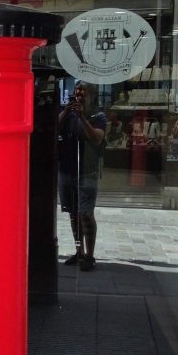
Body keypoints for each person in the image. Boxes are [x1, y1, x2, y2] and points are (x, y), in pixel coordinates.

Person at [58, 80, 106, 271]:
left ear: (92, 96)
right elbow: (55, 128)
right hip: (67, 168)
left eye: (83, 94)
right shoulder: (69, 114)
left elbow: (96, 137)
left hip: (87, 170)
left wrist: (82, 117)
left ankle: (90, 255)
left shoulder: (98, 116)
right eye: (77, 93)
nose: (79, 97)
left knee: (85, 213)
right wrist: (67, 112)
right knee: (73, 213)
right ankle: (79, 251)